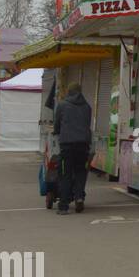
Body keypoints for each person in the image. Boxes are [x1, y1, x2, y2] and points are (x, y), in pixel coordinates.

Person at [52, 82, 93, 214]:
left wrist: (57, 131)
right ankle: (79, 197)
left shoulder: (62, 105)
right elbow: (86, 124)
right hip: (83, 145)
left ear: (69, 91)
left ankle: (63, 206)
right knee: (80, 172)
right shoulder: (87, 106)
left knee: (65, 173)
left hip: (67, 145)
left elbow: (57, 124)